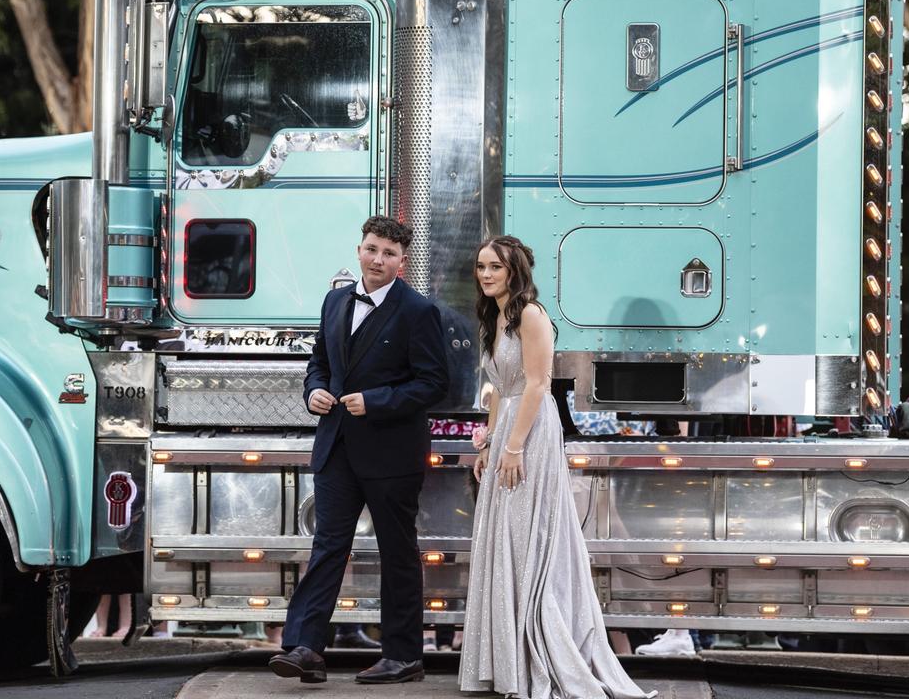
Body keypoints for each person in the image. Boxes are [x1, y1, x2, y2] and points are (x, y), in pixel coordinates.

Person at [459, 235, 656, 699]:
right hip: (508, 425)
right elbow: (498, 390)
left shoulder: (530, 314)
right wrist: (488, 443)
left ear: (515, 272)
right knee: (505, 537)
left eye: (496, 267)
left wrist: (513, 447)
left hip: (531, 431)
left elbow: (537, 385)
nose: (486, 274)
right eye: (482, 266)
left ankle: (537, 654)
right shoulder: (495, 316)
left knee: (529, 536)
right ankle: (509, 662)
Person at [269, 215, 449, 684]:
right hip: (336, 447)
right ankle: (305, 647)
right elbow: (319, 363)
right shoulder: (334, 301)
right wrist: (314, 392)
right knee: (328, 546)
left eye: (389, 254)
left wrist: (376, 401)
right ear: (359, 249)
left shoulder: (418, 311)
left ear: (402, 262)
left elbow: (434, 383)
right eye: (372, 249)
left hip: (392, 453)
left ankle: (404, 656)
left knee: (397, 552)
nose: (377, 259)